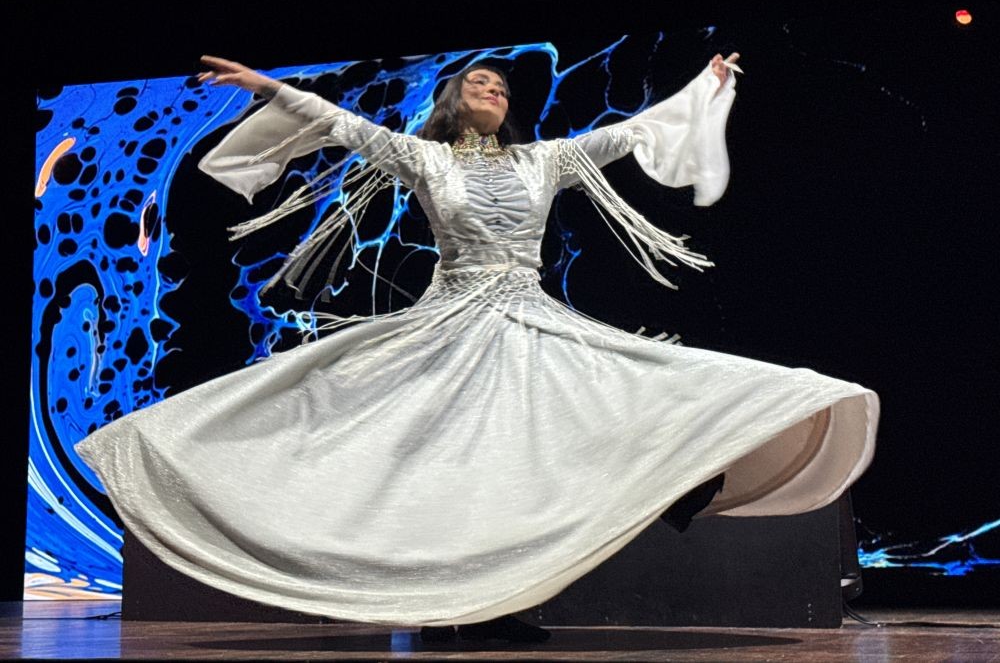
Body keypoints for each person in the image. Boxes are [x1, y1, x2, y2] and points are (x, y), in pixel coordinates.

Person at [75, 52, 878, 644]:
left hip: (527, 317)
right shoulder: (423, 157)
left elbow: (638, 132)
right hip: (449, 325)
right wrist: (267, 88)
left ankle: (659, 490)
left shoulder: (545, 161)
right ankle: (456, 607)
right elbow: (340, 125)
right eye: (475, 84)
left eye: (500, 85)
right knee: (456, 467)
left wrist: (705, 86)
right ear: (454, 104)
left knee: (606, 409)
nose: (490, 90)